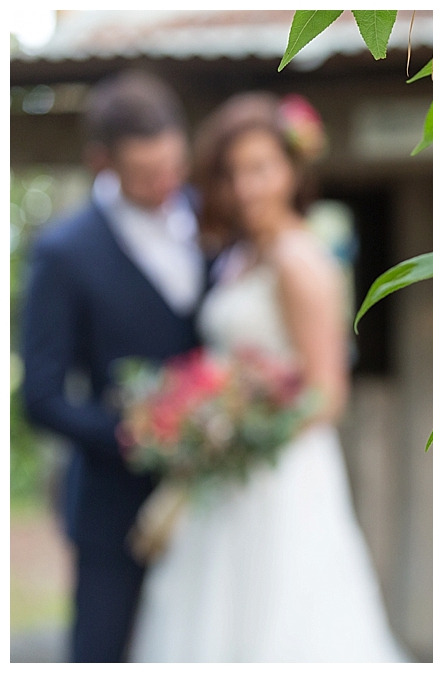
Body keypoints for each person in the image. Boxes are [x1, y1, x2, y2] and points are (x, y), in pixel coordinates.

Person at [128, 92, 406, 662]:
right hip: (225, 477)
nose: (246, 187)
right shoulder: (241, 255)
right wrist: (203, 418)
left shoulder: (301, 261)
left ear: (290, 170)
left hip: (281, 475)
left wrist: (237, 426)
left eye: (260, 169)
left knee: (283, 624)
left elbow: (328, 394)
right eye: (232, 174)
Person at [20, 70, 206, 662]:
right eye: (147, 174)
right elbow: (41, 396)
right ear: (103, 163)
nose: (166, 184)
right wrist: (139, 435)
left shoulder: (216, 221)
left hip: (215, 498)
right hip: (110, 508)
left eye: (174, 166)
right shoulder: (63, 252)